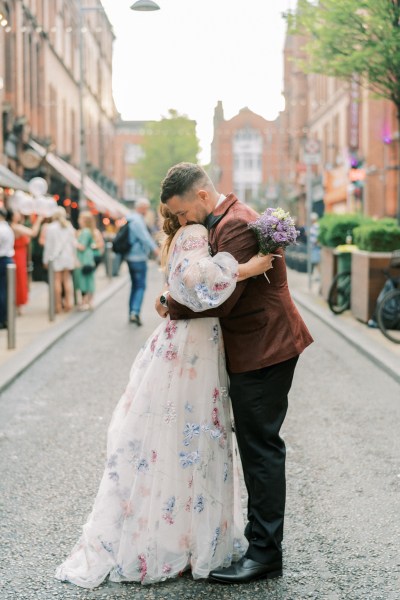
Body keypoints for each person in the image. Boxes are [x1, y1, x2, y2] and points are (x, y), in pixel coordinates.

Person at [55, 205, 273, 589]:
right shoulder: (193, 230)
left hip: (193, 341)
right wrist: (245, 269)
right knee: (192, 435)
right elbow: (196, 282)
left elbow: (181, 285)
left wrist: (170, 298)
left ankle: (180, 532)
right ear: (191, 204)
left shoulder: (184, 232)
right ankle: (187, 537)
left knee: (182, 438)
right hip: (195, 343)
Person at [157, 162, 314, 584]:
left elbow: (220, 299)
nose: (183, 222)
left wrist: (169, 302)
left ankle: (265, 553)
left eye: (185, 213)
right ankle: (260, 541)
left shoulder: (236, 226)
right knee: (256, 444)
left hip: (265, 347)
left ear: (203, 197)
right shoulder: (225, 221)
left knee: (260, 447)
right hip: (257, 345)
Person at [125, 198, 159, 325]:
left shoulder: (130, 219)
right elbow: (145, 237)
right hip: (138, 257)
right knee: (140, 286)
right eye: (145, 208)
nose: (146, 210)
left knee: (135, 285)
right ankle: (135, 312)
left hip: (130, 257)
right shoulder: (137, 221)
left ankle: (131, 312)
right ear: (140, 207)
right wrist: (156, 250)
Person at [42, 207, 77, 313]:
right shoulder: (69, 226)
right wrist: (74, 257)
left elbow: (48, 246)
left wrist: (45, 260)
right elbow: (73, 244)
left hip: (56, 257)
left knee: (57, 280)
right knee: (67, 280)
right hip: (67, 256)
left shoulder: (51, 228)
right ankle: (68, 303)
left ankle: (57, 305)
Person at [9, 209, 43, 314]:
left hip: (21, 256)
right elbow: (33, 233)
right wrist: (39, 220)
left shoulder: (16, 226)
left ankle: (17, 305)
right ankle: (17, 305)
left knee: (19, 280)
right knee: (18, 280)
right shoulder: (15, 227)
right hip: (17, 256)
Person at [75, 211, 97, 311]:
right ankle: (90, 301)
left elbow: (82, 247)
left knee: (84, 280)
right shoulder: (90, 231)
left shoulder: (85, 232)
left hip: (84, 259)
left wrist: (73, 242)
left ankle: (85, 302)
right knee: (90, 279)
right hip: (89, 258)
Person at [0, 207, 15, 329]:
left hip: (2, 260)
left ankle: (3, 318)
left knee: (2, 291)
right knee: (5, 290)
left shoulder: (2, 229)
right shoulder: (8, 228)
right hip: (7, 259)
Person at [309, 212, 321, 277]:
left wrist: (315, 242)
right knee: (315, 262)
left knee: (317, 262)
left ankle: (319, 275)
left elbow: (317, 236)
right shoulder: (313, 226)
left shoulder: (316, 226)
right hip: (313, 247)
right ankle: (317, 275)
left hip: (315, 247)